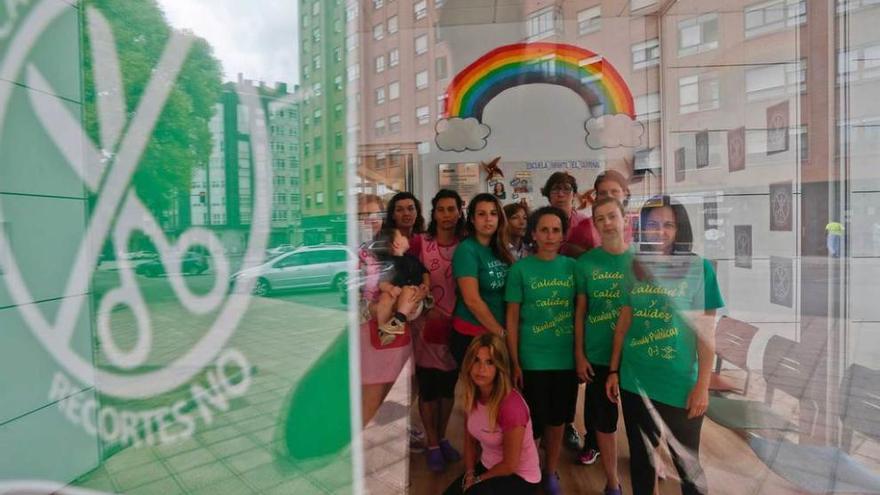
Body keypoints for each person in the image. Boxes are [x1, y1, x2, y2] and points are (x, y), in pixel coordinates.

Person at [606, 195, 724, 495]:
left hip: (679, 384)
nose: (660, 231)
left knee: (687, 467)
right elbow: (623, 324)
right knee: (642, 462)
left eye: (668, 225)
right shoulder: (634, 267)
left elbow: (706, 333)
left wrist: (702, 385)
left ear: (679, 230)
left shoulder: (699, 269)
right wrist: (613, 370)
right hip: (636, 381)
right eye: (654, 224)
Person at [505, 206, 578, 495]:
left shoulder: (573, 268)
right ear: (533, 234)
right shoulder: (520, 269)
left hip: (565, 359)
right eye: (544, 230)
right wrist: (514, 360)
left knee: (558, 419)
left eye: (556, 230)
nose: (550, 236)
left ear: (563, 234)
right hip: (531, 358)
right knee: (532, 420)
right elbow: (511, 318)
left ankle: (550, 472)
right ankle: (530, 470)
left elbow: (582, 314)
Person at [573, 197, 632, 493]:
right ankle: (613, 481)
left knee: (638, 421)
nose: (607, 223)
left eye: (612, 216)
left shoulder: (641, 262)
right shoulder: (585, 264)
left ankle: (650, 466)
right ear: (594, 224)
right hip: (597, 354)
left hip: (636, 356)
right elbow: (580, 313)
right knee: (604, 422)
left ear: (625, 220)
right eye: (601, 218)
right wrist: (580, 354)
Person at [408, 189, 467, 472]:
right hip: (425, 330)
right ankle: (432, 444)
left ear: (459, 212)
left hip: (456, 329)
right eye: (441, 209)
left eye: (451, 209)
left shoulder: (467, 246)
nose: (446, 215)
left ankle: (442, 437)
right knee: (429, 390)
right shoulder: (421, 243)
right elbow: (403, 273)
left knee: (448, 389)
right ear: (434, 213)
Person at [443, 333, 541, 495]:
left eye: (490, 362)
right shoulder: (471, 395)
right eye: (476, 360)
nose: (481, 369)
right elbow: (470, 441)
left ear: (500, 367)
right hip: (488, 465)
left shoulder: (511, 407)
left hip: (519, 476)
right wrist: (469, 474)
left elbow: (510, 465)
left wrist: (478, 480)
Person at [356, 195, 412, 426]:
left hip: (388, 328)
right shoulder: (353, 252)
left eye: (375, 215)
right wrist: (374, 307)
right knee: (370, 394)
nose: (370, 221)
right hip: (365, 331)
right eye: (363, 216)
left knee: (385, 391)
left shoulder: (386, 246)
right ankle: (358, 449)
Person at [450, 193, 514, 366]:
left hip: (497, 332)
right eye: (481, 214)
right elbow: (472, 300)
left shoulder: (501, 248)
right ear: (471, 219)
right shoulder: (466, 250)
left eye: (493, 214)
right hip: (472, 335)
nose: (488, 219)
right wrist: (501, 334)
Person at [371, 227, 431, 341]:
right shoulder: (387, 264)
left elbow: (425, 273)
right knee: (385, 296)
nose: (406, 237)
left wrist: (426, 286)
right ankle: (384, 329)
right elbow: (381, 283)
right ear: (396, 244)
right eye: (402, 236)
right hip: (396, 298)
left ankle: (399, 320)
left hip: (413, 300)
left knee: (409, 290)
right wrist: (390, 288)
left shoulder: (412, 259)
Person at [541, 171, 598, 259]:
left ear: (574, 195)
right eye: (555, 189)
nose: (560, 194)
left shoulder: (584, 222)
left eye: (566, 189)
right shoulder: (539, 221)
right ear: (548, 195)